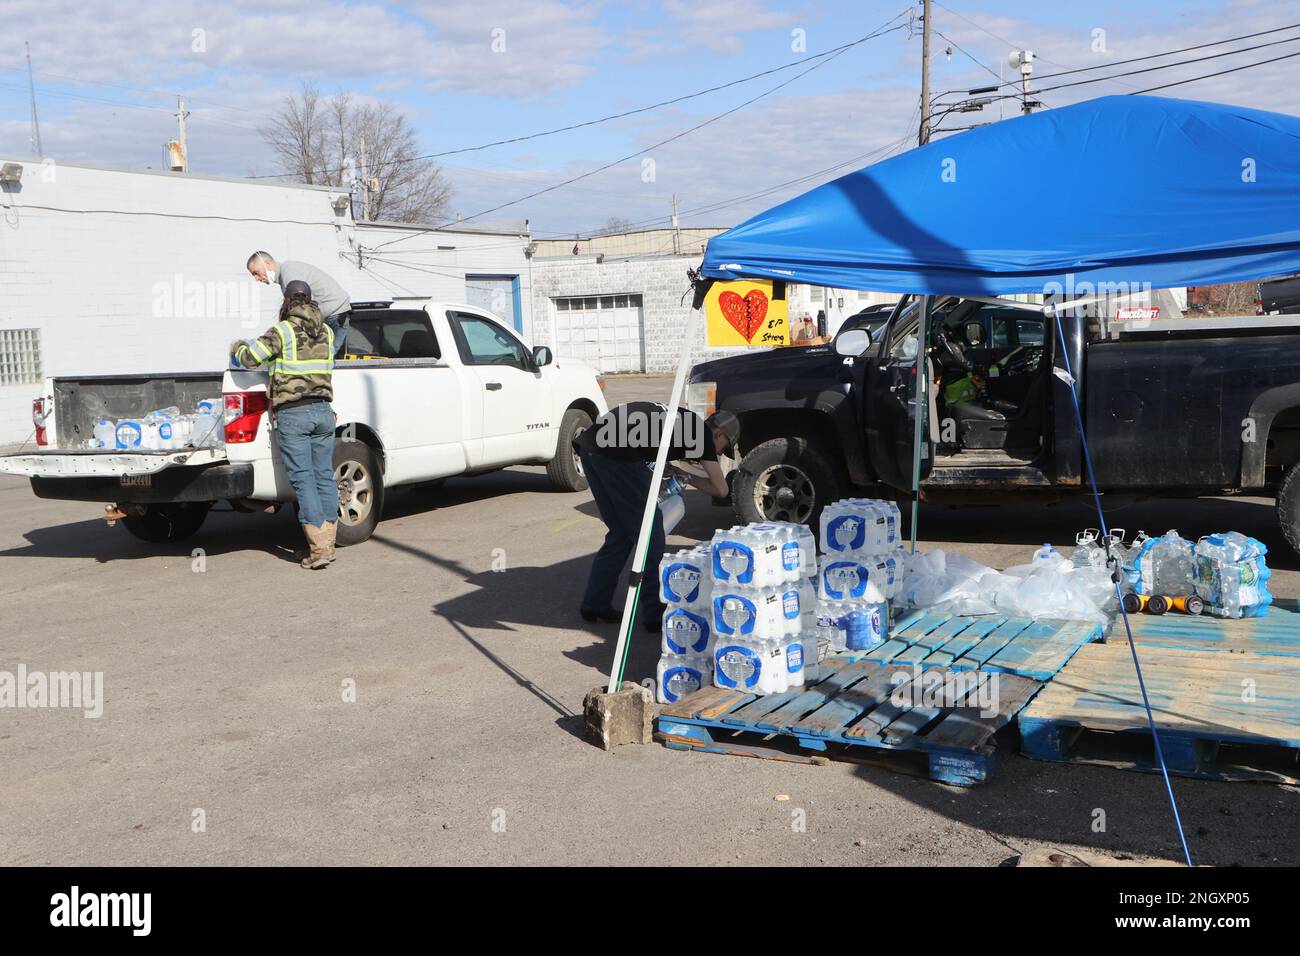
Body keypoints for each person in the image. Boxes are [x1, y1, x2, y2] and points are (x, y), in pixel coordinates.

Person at [573, 402, 740, 630]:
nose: (719, 452)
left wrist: (678, 472)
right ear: (719, 433)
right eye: (723, 446)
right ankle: (654, 613)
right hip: (618, 454)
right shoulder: (702, 436)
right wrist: (688, 477)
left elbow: (648, 436)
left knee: (621, 532)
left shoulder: (684, 419)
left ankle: (595, 603)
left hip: (590, 447)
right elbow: (721, 490)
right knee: (651, 534)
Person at [231, 280, 340, 570]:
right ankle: (328, 543)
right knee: (324, 478)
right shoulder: (327, 332)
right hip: (323, 412)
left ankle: (318, 550)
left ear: (288, 300)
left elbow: (251, 358)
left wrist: (238, 347)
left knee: (304, 481)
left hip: (294, 415)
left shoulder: (283, 331)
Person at [247, 252, 352, 358]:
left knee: (320, 360)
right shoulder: (287, 273)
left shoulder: (289, 275)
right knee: (319, 360)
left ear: (267, 263)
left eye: (256, 273)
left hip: (333, 315)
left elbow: (299, 314)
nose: (257, 279)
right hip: (332, 313)